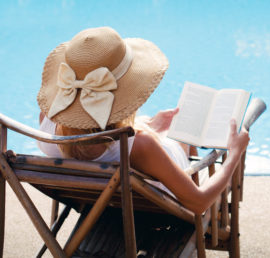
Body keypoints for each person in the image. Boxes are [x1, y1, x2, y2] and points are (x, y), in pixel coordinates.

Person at [36, 27, 249, 214]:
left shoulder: (48, 123)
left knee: (171, 127)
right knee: (183, 131)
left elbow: (98, 137)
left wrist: (149, 125)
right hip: (158, 208)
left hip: (101, 207)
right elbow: (198, 203)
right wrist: (234, 154)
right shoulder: (141, 146)